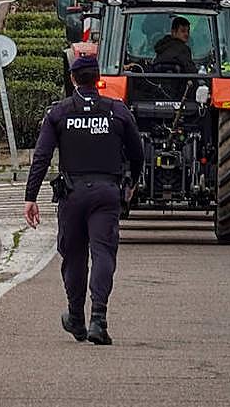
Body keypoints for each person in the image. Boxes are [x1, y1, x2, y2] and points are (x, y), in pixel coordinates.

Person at [24, 55, 144, 346]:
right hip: (106, 193)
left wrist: (31, 197)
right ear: (98, 78)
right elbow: (137, 152)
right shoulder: (117, 111)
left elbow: (41, 157)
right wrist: (132, 184)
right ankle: (98, 320)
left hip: (73, 194)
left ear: (73, 79)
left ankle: (76, 317)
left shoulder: (59, 113)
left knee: (74, 255)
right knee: (104, 254)